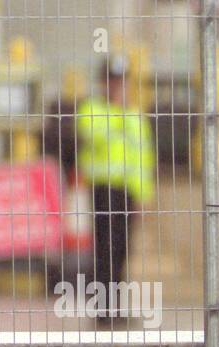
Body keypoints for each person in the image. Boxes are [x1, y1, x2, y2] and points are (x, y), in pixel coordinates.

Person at [74, 54, 155, 321]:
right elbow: (92, 136)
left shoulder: (136, 116)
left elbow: (143, 157)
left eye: (121, 80)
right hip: (102, 190)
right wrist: (117, 113)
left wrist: (144, 195)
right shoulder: (91, 109)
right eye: (111, 80)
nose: (117, 86)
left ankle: (116, 308)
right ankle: (102, 310)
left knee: (122, 250)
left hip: (127, 193)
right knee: (104, 250)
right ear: (102, 82)